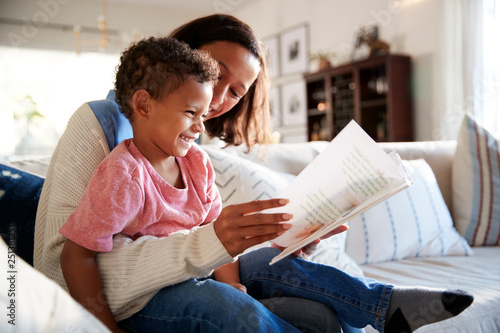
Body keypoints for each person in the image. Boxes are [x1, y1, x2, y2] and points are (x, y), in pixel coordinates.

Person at [34, 15, 472, 333]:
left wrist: (288, 240)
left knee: (299, 293)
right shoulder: (112, 149)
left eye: (234, 93)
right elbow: (68, 260)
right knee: (227, 303)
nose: (216, 106)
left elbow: (208, 233)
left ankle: (384, 304)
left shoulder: (192, 154)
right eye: (215, 78)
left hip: (200, 273)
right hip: (146, 294)